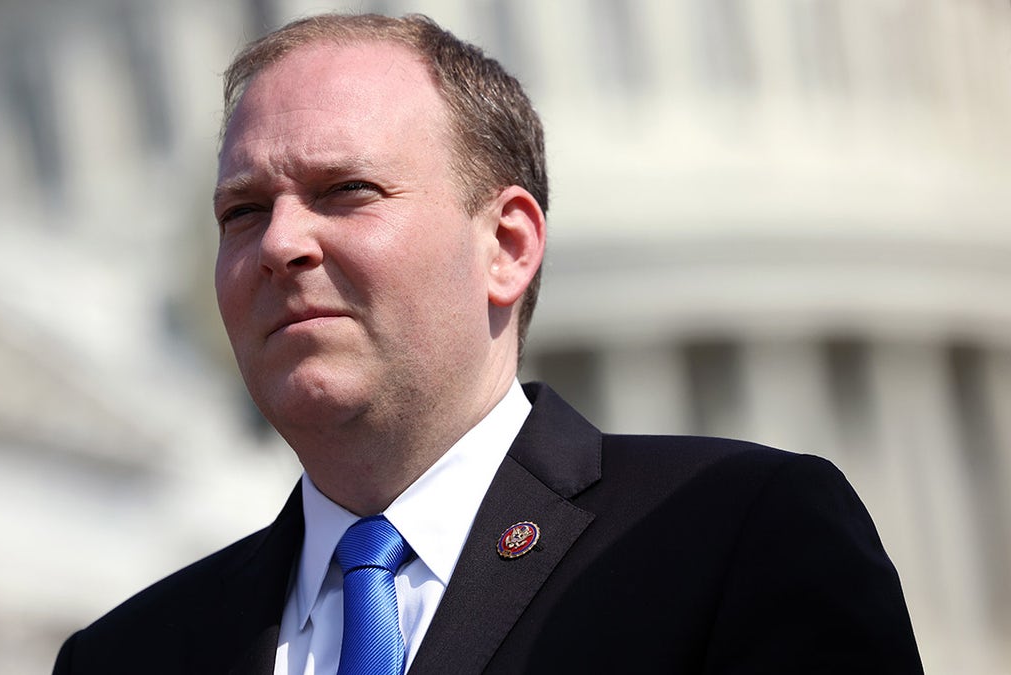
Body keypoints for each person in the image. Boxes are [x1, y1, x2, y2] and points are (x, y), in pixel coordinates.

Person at [53, 13, 921, 675]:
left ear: (506, 245)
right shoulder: (130, 654)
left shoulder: (730, 536)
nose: (280, 242)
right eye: (243, 210)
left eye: (345, 190)